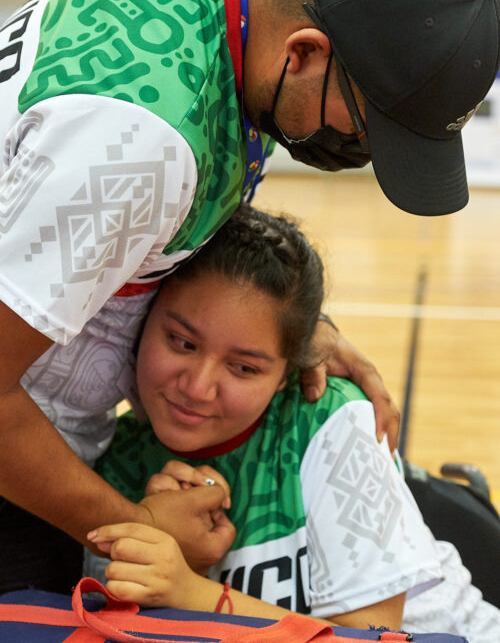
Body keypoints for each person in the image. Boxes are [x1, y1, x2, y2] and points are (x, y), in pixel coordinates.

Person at [0, 0, 498, 591]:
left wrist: (294, 326)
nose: (362, 153)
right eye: (369, 128)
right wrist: (138, 529)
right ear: (302, 52)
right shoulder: (141, 144)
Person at [86, 204, 500, 641]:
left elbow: (372, 636)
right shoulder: (115, 459)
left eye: (244, 368)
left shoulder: (331, 421)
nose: (198, 387)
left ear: (288, 374)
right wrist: (188, 563)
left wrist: (195, 593)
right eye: (182, 342)